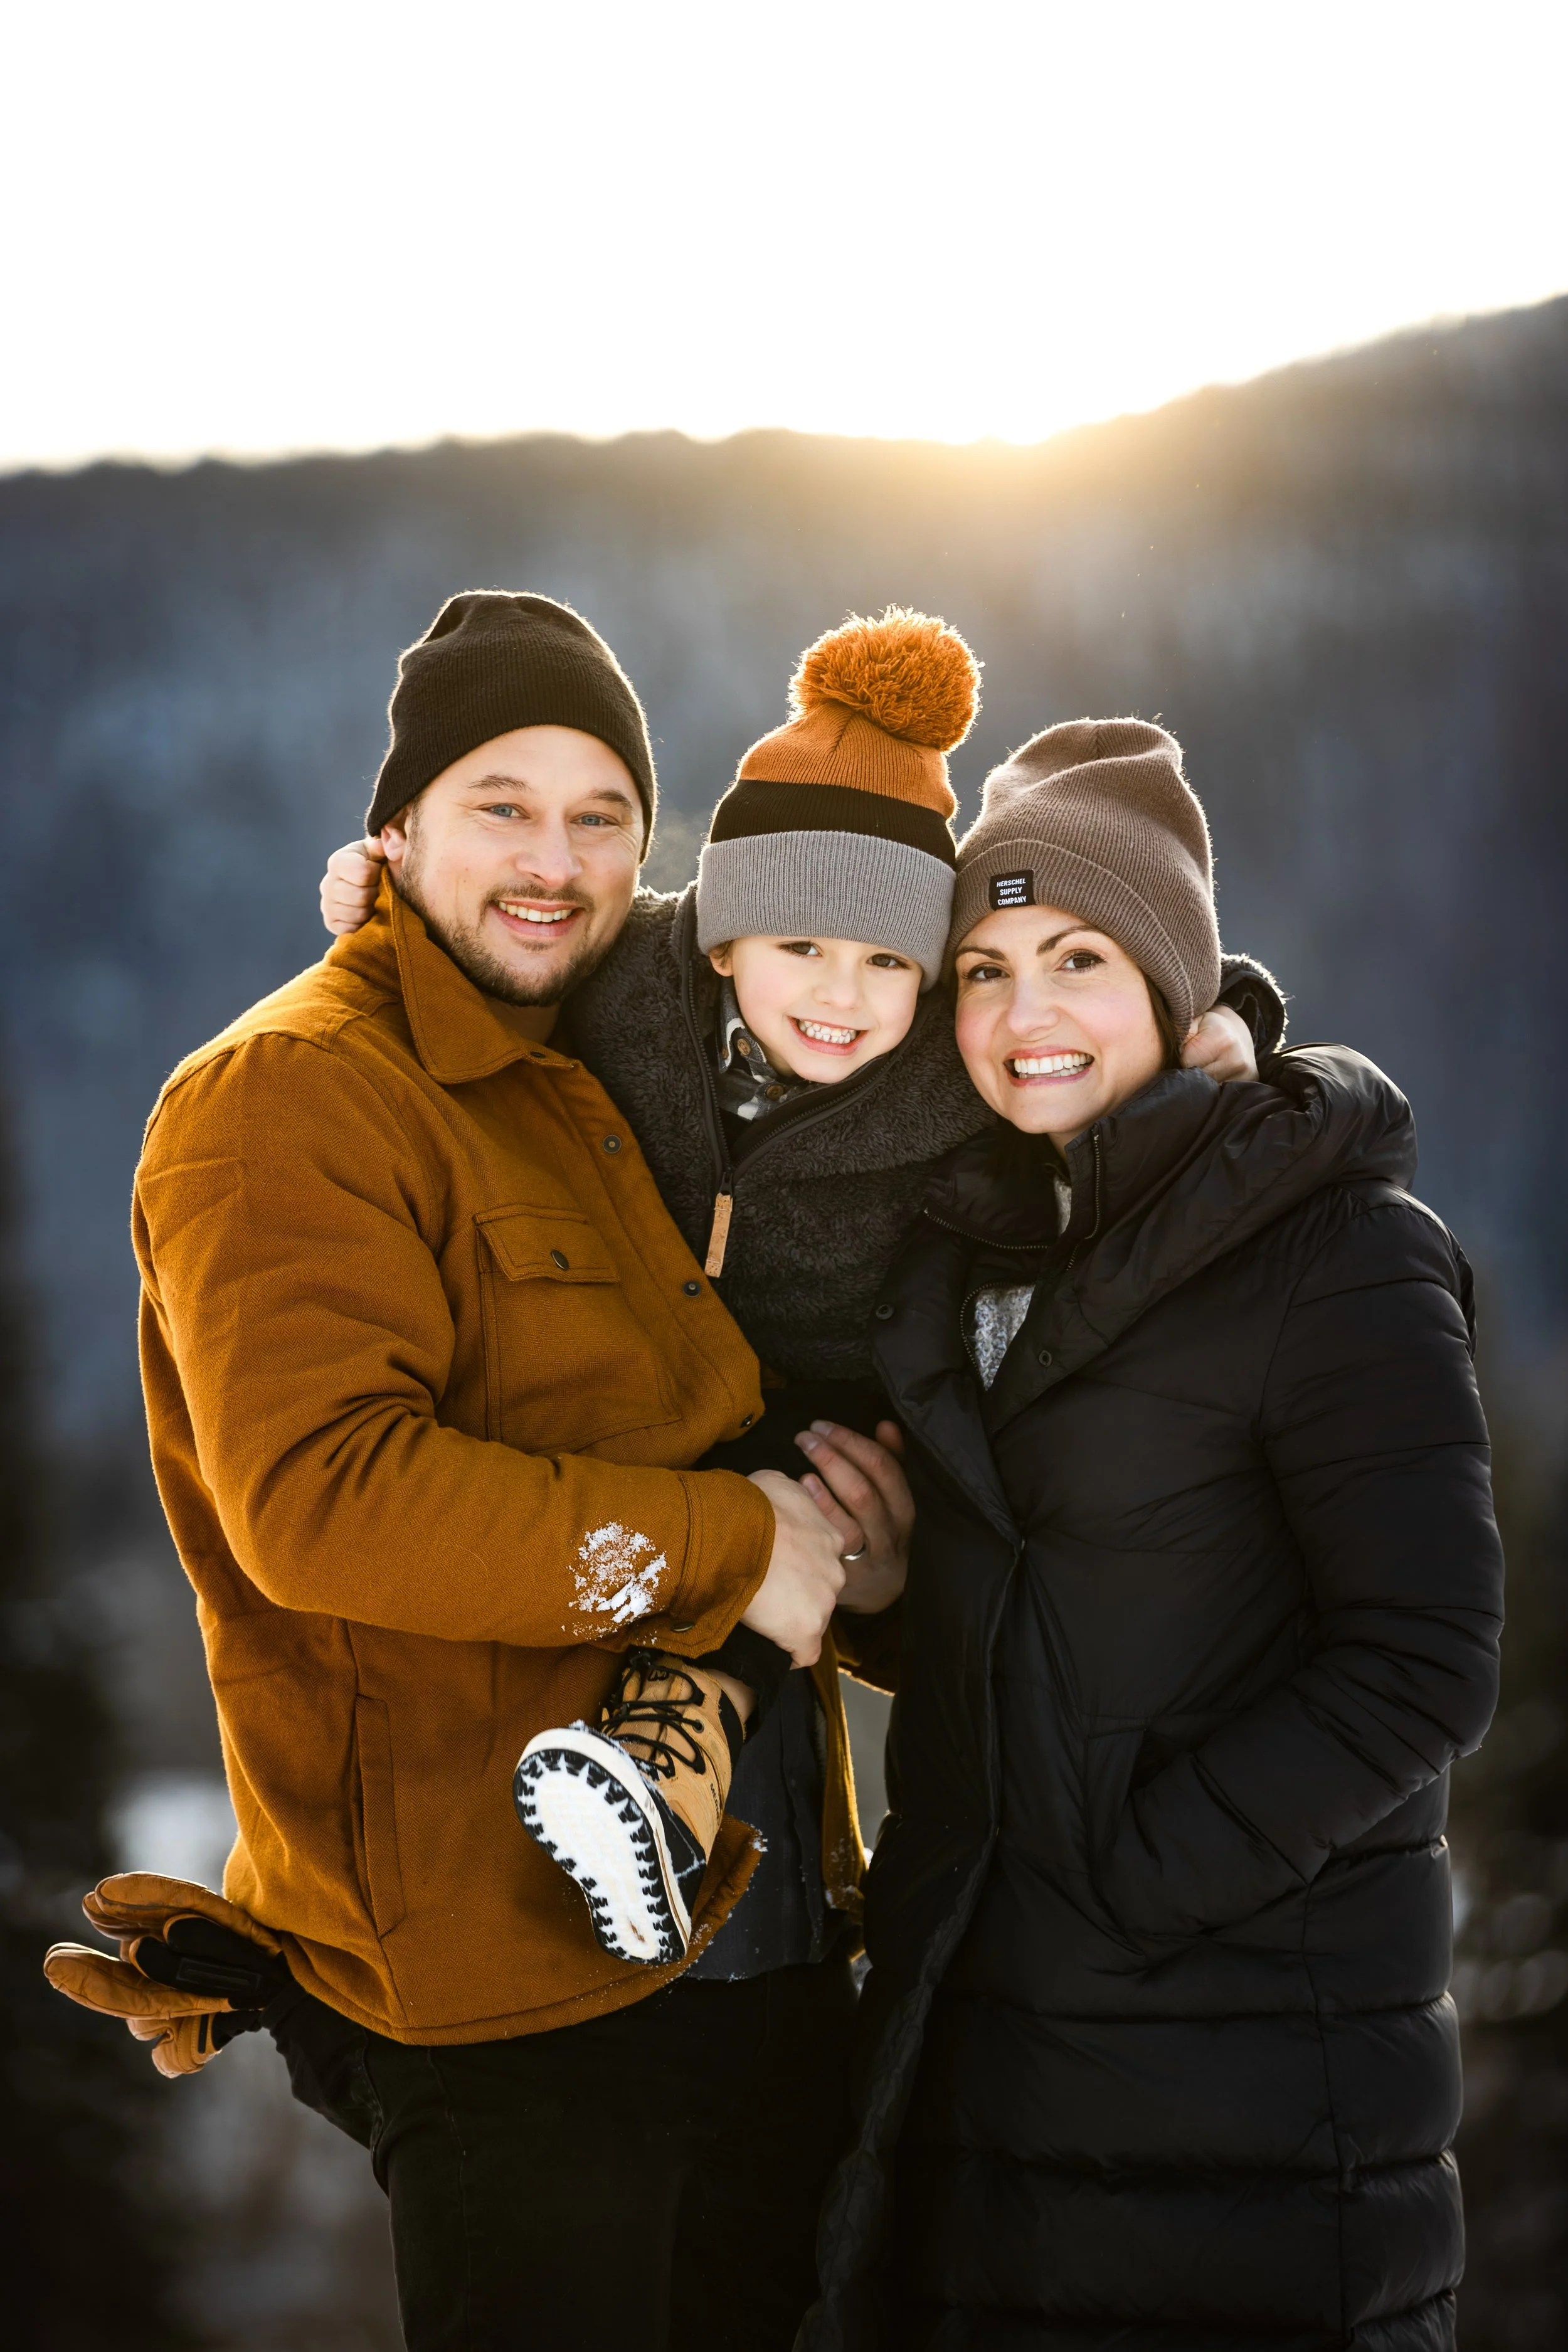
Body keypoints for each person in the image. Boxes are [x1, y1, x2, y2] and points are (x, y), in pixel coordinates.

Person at [48, 590, 906, 2352]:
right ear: (396, 828)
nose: (556, 857)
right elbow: (326, 1499)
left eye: (600, 814)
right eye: (499, 802)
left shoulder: (586, 1069)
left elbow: (897, 961)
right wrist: (732, 1541)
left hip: (764, 1944)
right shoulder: (287, 1096)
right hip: (516, 2006)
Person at [320, 615, 1279, 1988]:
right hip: (630, 1390)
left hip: (824, 1404)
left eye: (891, 963)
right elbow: (496, 944)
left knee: (811, 1502)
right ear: (719, 940)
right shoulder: (622, 986)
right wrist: (377, 899)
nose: (842, 999)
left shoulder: (947, 1074)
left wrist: (1220, 1024)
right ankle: (641, 1804)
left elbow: (1099, 1006)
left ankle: (661, 1793)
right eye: (803, 950)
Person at [803, 720, 1505, 2351]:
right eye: (980, 967)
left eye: (1073, 957)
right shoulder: (974, 1258)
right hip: (975, 2075)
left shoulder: (1334, 1248)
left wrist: (1135, 1876)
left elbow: (1421, 1658)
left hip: (1241, 2101)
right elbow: (1086, 1616)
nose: (1021, 1012)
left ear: (1175, 986)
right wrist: (902, 1603)